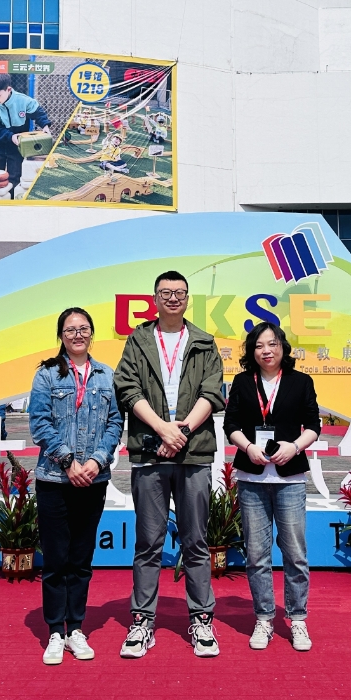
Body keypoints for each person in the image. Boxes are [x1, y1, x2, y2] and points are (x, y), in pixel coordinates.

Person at [114, 270, 225, 659]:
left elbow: (213, 391)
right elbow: (127, 388)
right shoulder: (139, 340)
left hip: (194, 452)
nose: (173, 298)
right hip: (150, 451)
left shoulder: (204, 342)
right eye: (166, 292)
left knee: (196, 541)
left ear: (187, 298)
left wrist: (182, 431)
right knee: (148, 542)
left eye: (180, 292)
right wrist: (163, 429)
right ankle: (142, 622)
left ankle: (202, 620)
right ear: (155, 299)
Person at [27, 308, 124, 666]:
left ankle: (76, 629)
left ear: (92, 333)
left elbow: (115, 423)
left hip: (93, 480)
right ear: (61, 336)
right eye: (70, 330)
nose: (77, 335)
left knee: (82, 559)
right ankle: (55, 630)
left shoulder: (107, 375)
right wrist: (68, 462)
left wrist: (97, 461)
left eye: (83, 329)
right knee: (56, 559)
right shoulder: (46, 374)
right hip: (54, 479)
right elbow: (39, 423)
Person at [224, 322, 320, 652]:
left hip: (289, 478)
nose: (266, 350)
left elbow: (314, 425)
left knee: (295, 553)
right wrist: (248, 447)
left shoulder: (300, 381)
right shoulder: (242, 382)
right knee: (256, 554)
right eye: (259, 345)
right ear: (252, 351)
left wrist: (294, 447)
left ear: (283, 347)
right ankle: (264, 618)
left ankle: (298, 618)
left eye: (272, 344)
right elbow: (231, 424)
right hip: (252, 479)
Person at [0, 73, 52, 191]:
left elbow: (38, 113)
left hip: (17, 146)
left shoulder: (23, 101)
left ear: (8, 89)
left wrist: (45, 125)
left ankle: (12, 197)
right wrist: (10, 136)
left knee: (15, 175)